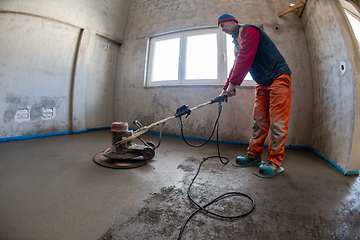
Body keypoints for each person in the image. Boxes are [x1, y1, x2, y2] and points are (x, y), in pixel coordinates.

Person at [217, 13, 292, 178]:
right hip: (262, 82)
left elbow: (246, 57)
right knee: (259, 120)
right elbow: (236, 64)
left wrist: (234, 84)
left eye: (223, 24)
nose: (222, 29)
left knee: (278, 122)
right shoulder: (236, 44)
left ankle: (274, 161)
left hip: (278, 76)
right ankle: (254, 156)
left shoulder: (249, 31)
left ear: (233, 21)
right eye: (220, 27)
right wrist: (225, 88)